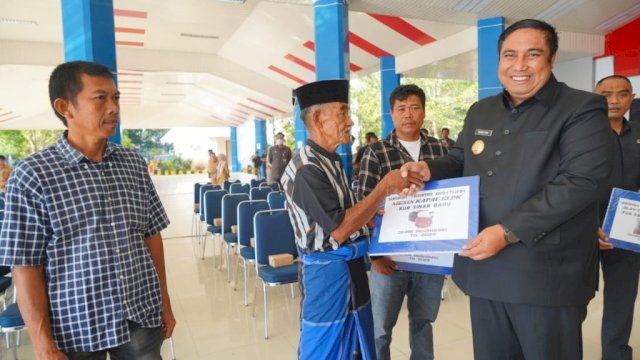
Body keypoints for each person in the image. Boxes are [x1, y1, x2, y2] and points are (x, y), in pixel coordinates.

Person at [401, 19, 613, 359]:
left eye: (533, 54)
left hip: (546, 274)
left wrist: (507, 230)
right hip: (483, 267)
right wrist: (427, 169)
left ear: (552, 58)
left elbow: (580, 181)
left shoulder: (581, 108)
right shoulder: (480, 110)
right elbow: (458, 159)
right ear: (499, 60)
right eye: (509, 55)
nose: (519, 65)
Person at [0, 61, 175, 359]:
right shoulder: (33, 174)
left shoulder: (132, 163)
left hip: (140, 315)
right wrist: (42, 345)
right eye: (100, 98)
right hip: (75, 327)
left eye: (116, 98)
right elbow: (25, 265)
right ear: (65, 106)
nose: (114, 108)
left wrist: (164, 302)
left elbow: (151, 236)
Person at [281, 79, 424, 360]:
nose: (351, 122)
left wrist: (372, 219)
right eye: (343, 112)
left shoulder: (330, 160)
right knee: (326, 349)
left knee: (356, 347)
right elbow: (340, 228)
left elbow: (348, 217)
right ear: (319, 119)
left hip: (352, 271)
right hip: (328, 278)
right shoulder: (306, 168)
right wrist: (384, 187)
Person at [358, 84, 447, 360]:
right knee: (381, 329)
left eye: (414, 107)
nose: (408, 114)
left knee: (423, 323)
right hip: (390, 259)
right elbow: (365, 206)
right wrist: (376, 257)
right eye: (401, 108)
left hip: (430, 257)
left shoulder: (441, 150)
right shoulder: (376, 152)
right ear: (391, 114)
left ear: (424, 111)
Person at [594, 75, 640, 360]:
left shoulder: (638, 134)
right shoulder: (579, 134)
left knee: (622, 298)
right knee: (573, 299)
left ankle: (616, 354)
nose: (613, 100)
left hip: (627, 230)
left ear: (631, 98)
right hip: (584, 228)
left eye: (622, 94)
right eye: (606, 94)